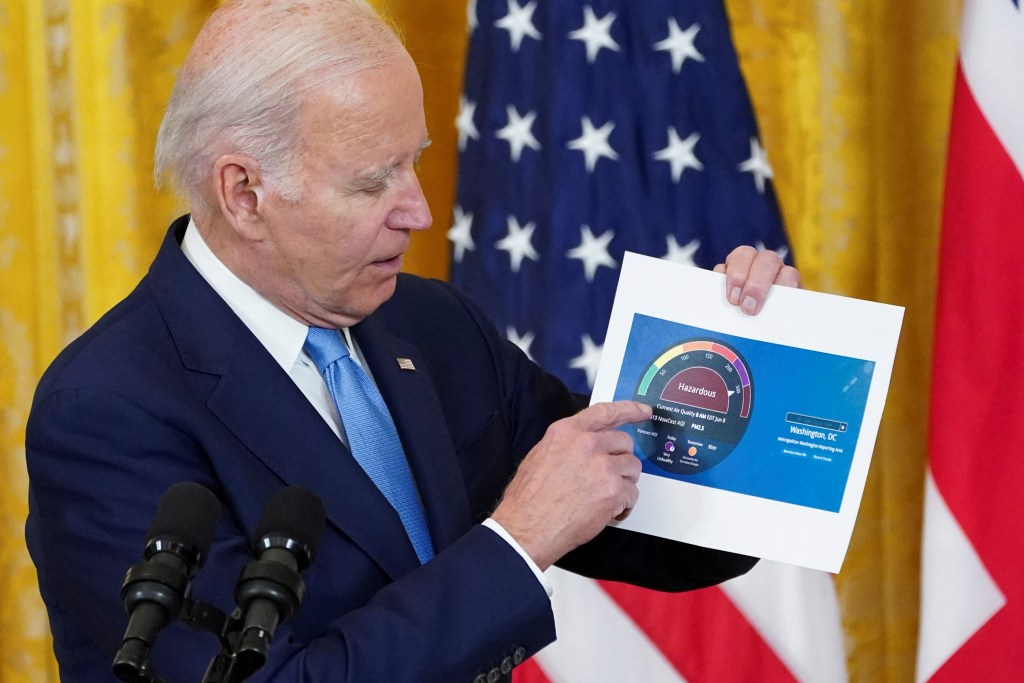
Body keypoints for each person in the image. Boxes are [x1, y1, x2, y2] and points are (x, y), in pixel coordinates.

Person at [24, 1, 802, 682]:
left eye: (416, 164)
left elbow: (661, 532)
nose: (419, 212)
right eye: (373, 181)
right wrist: (517, 538)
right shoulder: (107, 409)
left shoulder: (433, 326)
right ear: (244, 193)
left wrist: (750, 361)